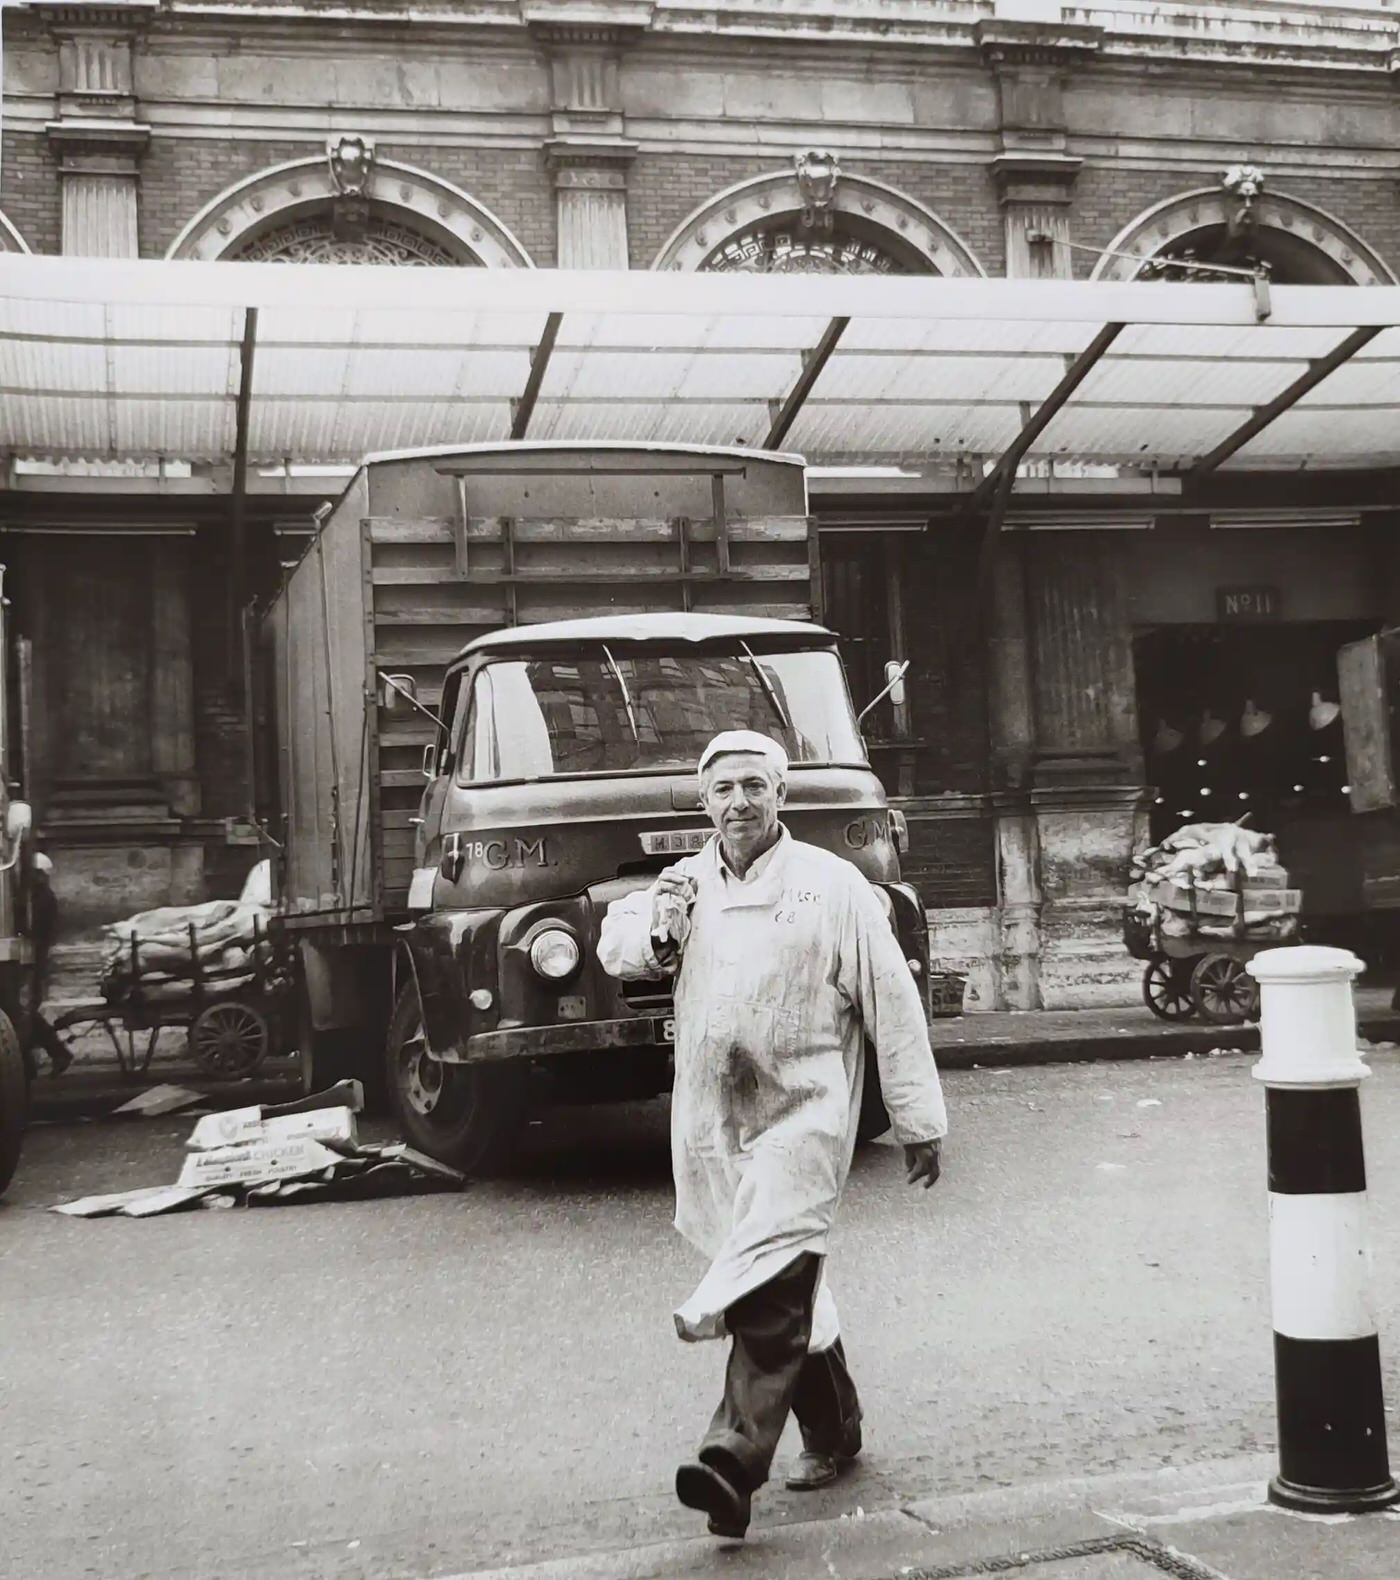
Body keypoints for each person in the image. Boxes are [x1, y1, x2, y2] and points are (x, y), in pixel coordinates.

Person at [598, 729, 947, 1541]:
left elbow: (891, 999)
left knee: (770, 1280)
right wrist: (659, 925)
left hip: (808, 1111)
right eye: (722, 790)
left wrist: (918, 1118)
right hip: (715, 1121)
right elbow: (619, 951)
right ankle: (834, 1428)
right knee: (780, 1283)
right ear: (705, 801)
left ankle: (732, 1457)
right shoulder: (683, 886)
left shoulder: (834, 887)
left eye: (755, 786)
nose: (739, 803)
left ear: (780, 794)